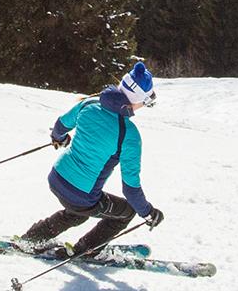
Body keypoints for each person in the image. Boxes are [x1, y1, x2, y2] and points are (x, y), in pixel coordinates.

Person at [18, 61, 163, 259]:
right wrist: (148, 213)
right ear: (137, 100)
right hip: (82, 195)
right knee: (126, 212)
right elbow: (130, 188)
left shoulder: (88, 104)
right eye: (146, 101)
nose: (143, 107)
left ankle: (32, 238)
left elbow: (60, 126)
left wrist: (60, 139)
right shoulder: (129, 134)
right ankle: (87, 250)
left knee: (77, 213)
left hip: (57, 177)